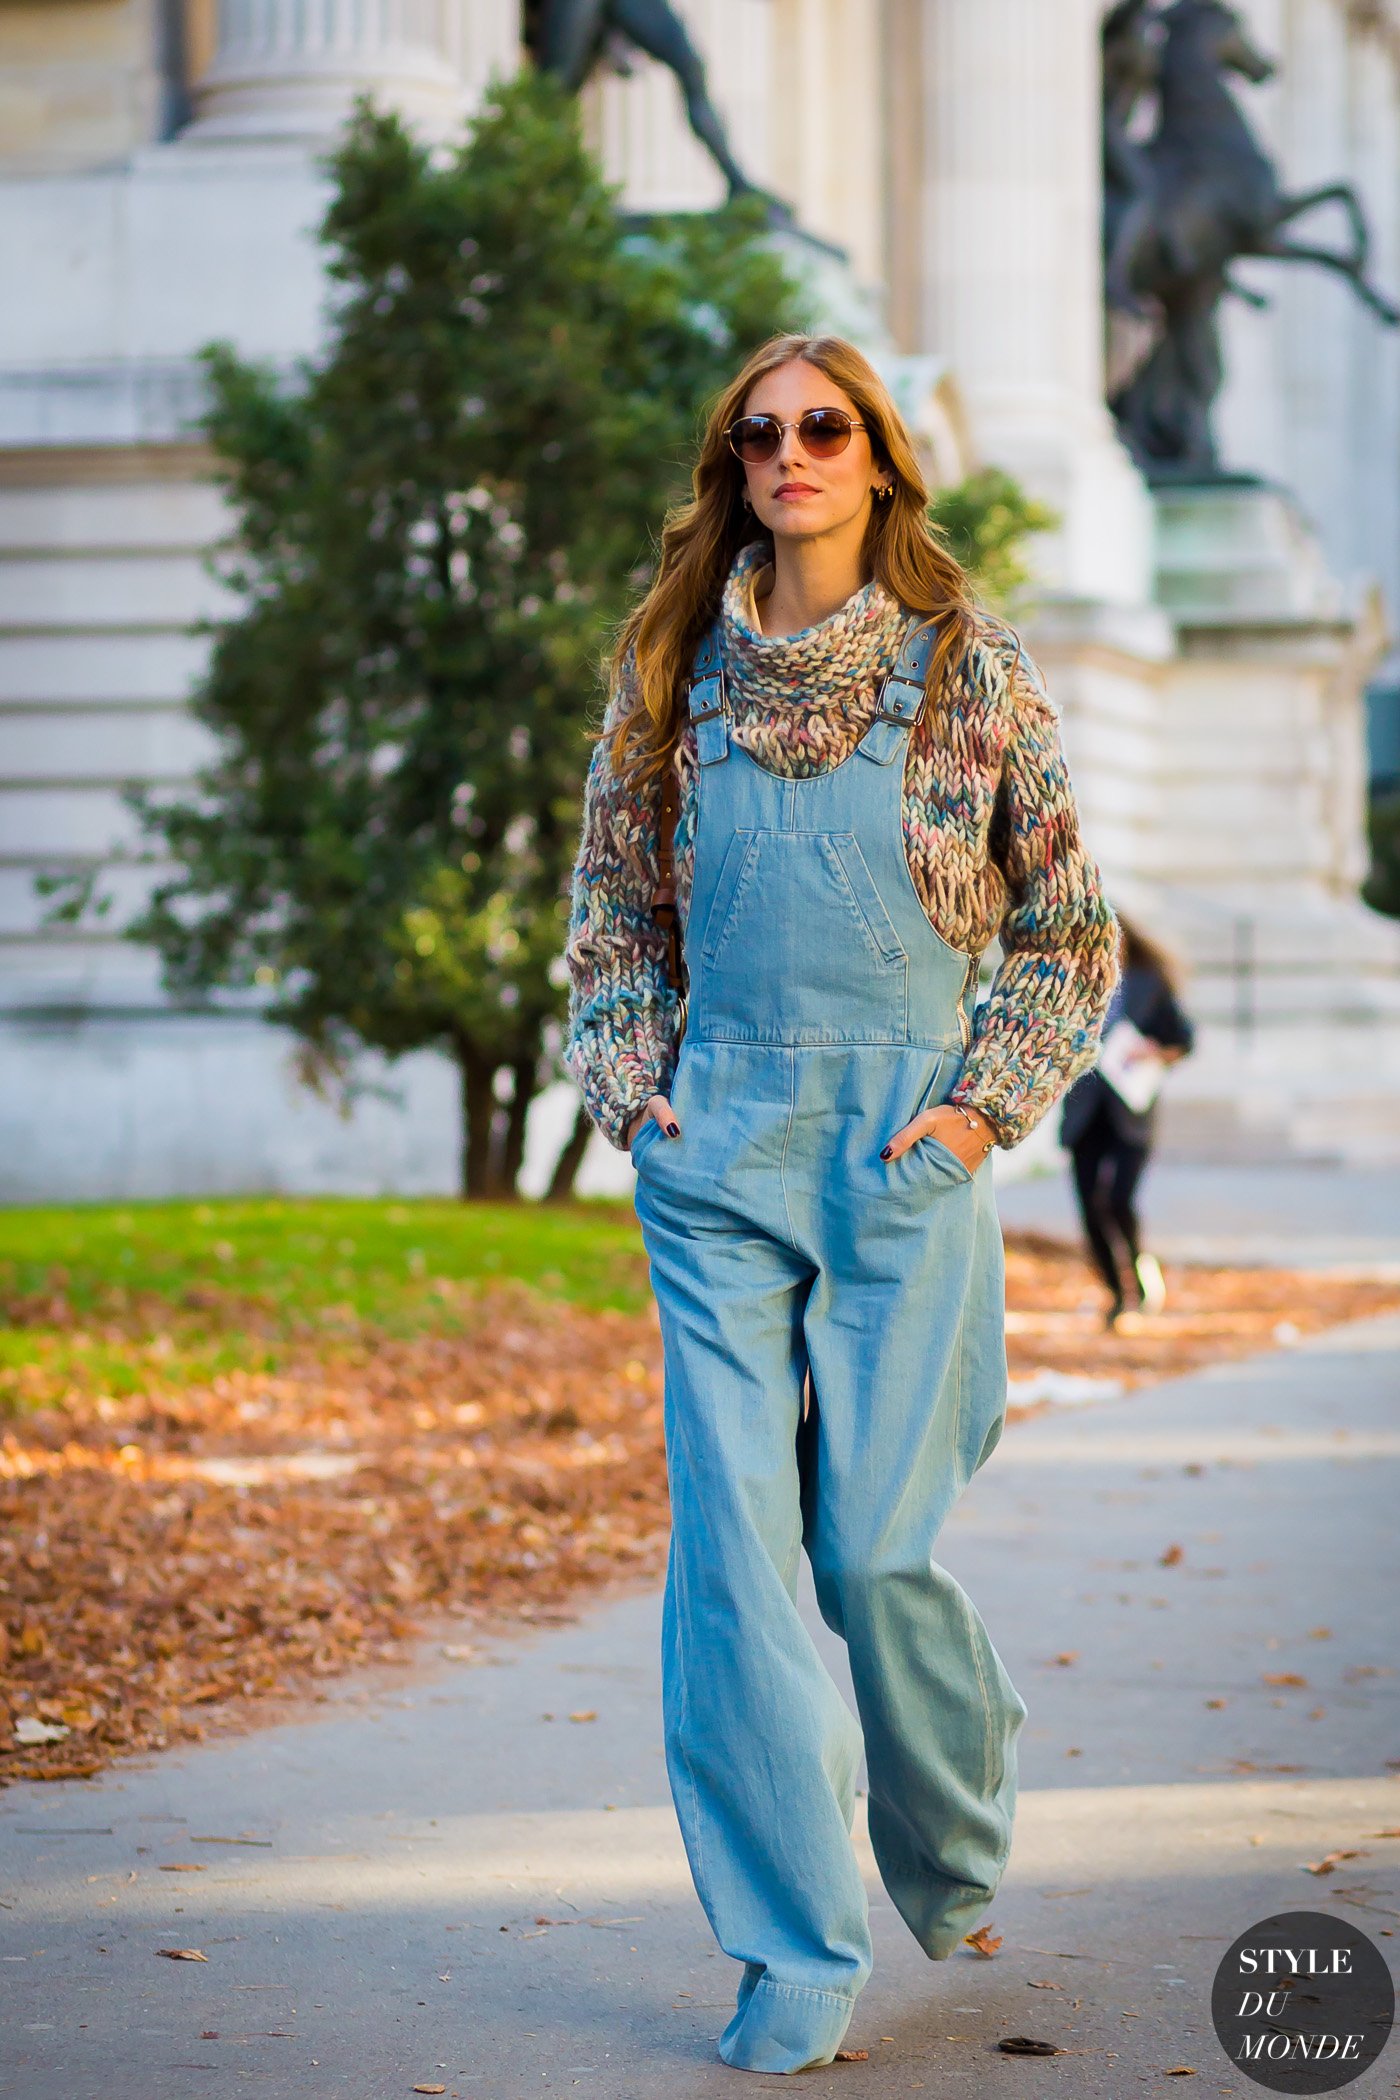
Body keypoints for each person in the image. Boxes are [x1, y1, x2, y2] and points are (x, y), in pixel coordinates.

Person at [563, 332, 1119, 2074]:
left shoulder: (968, 670)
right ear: (729, 464)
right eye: (758, 433)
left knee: (872, 1553)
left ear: (877, 457)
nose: (789, 454)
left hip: (904, 1149)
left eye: (825, 428)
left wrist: (976, 1112)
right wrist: (632, 1091)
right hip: (713, 1149)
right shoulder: (669, 676)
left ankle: (947, 1828)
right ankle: (791, 1954)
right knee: (732, 1563)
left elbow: (1070, 928)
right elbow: (611, 923)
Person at [1059, 913, 1194, 1325]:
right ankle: (1118, 1294)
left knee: (1118, 1200)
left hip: (1130, 1112)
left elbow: (1183, 1040)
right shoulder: (1075, 984)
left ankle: (1137, 1273)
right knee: (1088, 1209)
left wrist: (1153, 1052)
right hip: (1086, 1111)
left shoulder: (1148, 984)